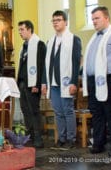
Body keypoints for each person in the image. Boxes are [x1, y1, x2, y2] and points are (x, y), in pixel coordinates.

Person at [82, 6, 111, 156]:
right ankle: (99, 143)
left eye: (97, 18)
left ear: (106, 18)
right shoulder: (94, 38)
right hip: (94, 81)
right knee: (97, 113)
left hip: (109, 79)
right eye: (92, 19)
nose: (94, 21)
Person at [44, 10, 82, 149]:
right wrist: (44, 82)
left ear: (66, 22)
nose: (55, 23)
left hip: (66, 82)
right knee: (58, 112)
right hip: (53, 82)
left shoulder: (74, 39)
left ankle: (71, 139)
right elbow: (46, 64)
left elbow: (76, 62)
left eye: (58, 20)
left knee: (67, 111)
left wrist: (73, 82)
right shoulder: (50, 41)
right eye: (53, 20)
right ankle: (61, 138)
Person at [17, 20, 46, 148]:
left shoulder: (39, 44)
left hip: (33, 84)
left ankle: (38, 138)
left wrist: (37, 84)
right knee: (25, 110)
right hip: (23, 83)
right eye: (19, 30)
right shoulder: (24, 46)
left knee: (34, 110)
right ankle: (30, 136)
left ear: (29, 29)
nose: (20, 32)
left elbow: (41, 66)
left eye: (22, 29)